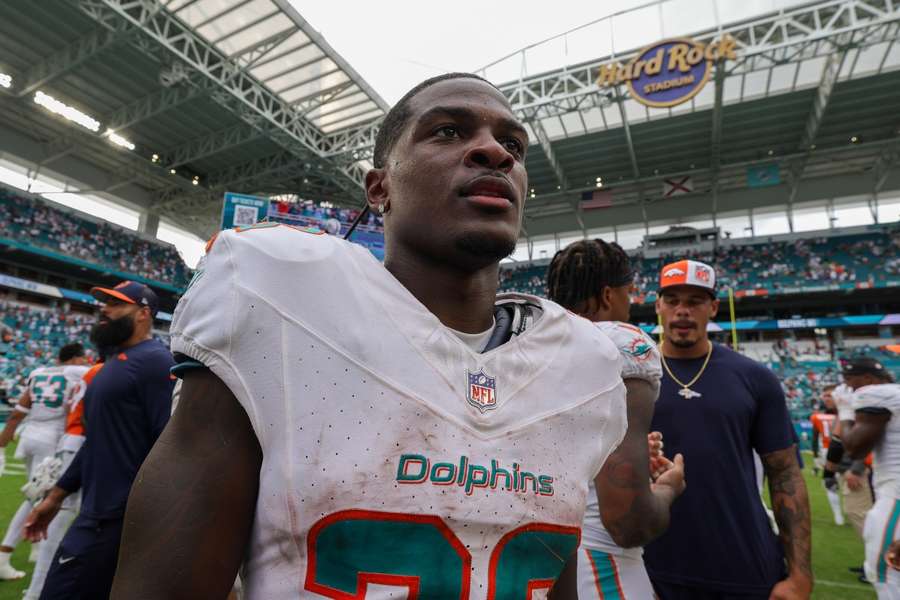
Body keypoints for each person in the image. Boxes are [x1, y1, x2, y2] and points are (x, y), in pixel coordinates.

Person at [109, 73, 635, 599]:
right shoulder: (280, 297)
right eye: (449, 132)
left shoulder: (583, 363)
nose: (494, 152)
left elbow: (549, 569)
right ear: (378, 187)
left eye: (513, 145)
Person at [643, 260, 813, 600]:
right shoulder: (634, 377)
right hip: (651, 565)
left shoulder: (754, 377)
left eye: (695, 301)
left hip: (742, 560)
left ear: (714, 307)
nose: (683, 311)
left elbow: (785, 475)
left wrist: (800, 575)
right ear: (658, 306)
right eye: (673, 300)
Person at [545, 238, 685, 599]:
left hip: (530, 560)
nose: (630, 303)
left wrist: (623, 447)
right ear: (608, 295)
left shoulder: (529, 340)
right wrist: (668, 489)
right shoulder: (618, 343)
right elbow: (628, 522)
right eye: (627, 293)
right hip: (599, 563)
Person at [23, 281, 174, 600]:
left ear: (143, 313)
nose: (103, 309)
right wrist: (56, 495)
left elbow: (167, 442)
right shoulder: (116, 363)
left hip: (116, 517)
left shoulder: (154, 361)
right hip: (98, 511)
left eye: (116, 304)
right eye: (104, 302)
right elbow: (96, 442)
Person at [0, 342, 88, 580]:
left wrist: (3, 440)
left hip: (29, 435)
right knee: (36, 498)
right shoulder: (77, 372)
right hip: (52, 439)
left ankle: (36, 549)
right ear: (76, 358)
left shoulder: (38, 372)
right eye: (82, 358)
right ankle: (4, 554)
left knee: (35, 494)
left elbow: (19, 410)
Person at [23, 357, 104, 600]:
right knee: (61, 517)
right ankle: (38, 590)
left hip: (70, 439)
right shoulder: (99, 371)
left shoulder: (92, 372)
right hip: (81, 440)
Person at [839, 357, 900, 599]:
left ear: (867, 379)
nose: (850, 389)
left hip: (896, 493)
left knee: (885, 572)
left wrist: (844, 411)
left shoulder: (875, 393)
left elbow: (854, 448)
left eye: (850, 383)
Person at [811, 385, 844, 525]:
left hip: (830, 451)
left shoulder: (817, 416)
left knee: (830, 482)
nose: (825, 399)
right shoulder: (846, 413)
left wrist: (815, 457)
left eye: (828, 396)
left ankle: (839, 516)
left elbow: (814, 439)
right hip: (839, 450)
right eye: (824, 396)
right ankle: (840, 517)